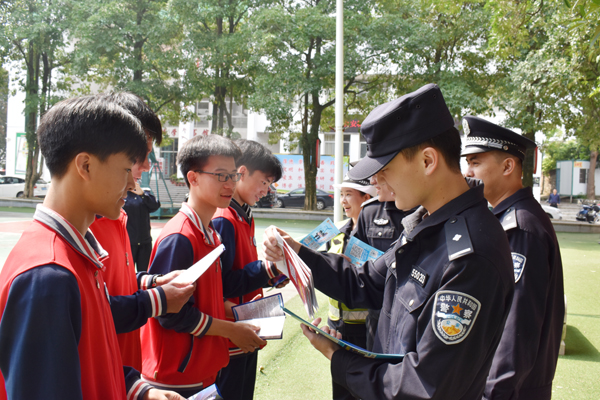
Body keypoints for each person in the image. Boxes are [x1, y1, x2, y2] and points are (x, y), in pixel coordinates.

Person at [262, 83, 515, 400]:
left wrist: (339, 359)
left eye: (385, 169)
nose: (375, 181)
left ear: (427, 161)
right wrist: (296, 252)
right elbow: (366, 282)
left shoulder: (470, 255)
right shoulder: (425, 225)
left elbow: (423, 386)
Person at [0, 94, 186, 400]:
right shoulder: (48, 276)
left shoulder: (78, 256)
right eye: (126, 169)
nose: (132, 184)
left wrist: (137, 389)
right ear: (85, 165)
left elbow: (91, 355)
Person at [141, 134, 266, 397]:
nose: (230, 184)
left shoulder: (209, 233)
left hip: (203, 369)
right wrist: (231, 329)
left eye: (233, 175)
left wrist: (244, 316)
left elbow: (209, 299)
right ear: (193, 178)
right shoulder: (180, 237)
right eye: (220, 176)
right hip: (176, 377)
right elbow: (170, 314)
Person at [90, 91, 194, 372]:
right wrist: (158, 300)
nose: (146, 166)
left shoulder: (116, 215)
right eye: (138, 156)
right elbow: (90, 313)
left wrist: (152, 281)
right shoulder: (80, 231)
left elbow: (114, 284)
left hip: (123, 375)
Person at [463, 115, 565, 400]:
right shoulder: (506, 218)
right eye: (467, 162)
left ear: (508, 166)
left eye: (475, 162)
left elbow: (517, 325)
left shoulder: (520, 227)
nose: (467, 172)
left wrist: (493, 394)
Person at [212, 139, 285, 400]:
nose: (266, 190)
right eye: (264, 181)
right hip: (230, 335)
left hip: (245, 329)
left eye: (270, 184)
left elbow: (241, 271)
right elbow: (224, 284)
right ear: (241, 172)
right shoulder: (223, 218)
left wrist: (273, 276)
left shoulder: (242, 214)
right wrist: (267, 270)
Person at [326, 175, 376, 400]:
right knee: (340, 386)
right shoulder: (335, 231)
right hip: (336, 326)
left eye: (348, 194)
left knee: (362, 387)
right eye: (341, 195)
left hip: (364, 329)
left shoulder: (376, 236)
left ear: (366, 198)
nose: (343, 201)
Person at [353, 173, 414, 351]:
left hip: (413, 316)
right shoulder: (369, 212)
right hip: (378, 317)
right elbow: (355, 258)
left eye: (381, 173)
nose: (373, 181)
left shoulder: (427, 210)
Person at [124, 181, 161, 272]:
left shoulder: (144, 193)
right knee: (128, 272)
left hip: (145, 242)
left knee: (146, 272)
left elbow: (155, 206)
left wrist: (142, 194)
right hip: (129, 242)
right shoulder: (122, 194)